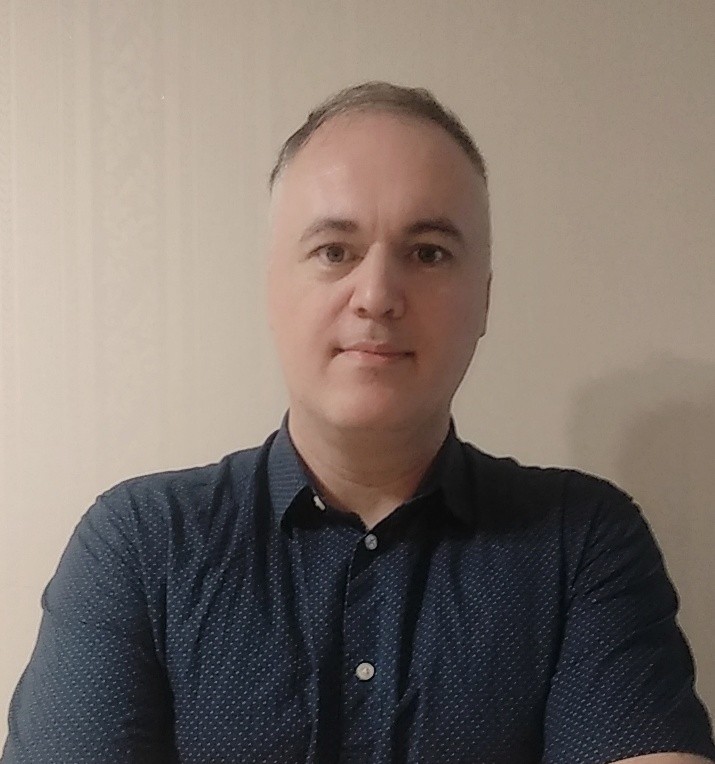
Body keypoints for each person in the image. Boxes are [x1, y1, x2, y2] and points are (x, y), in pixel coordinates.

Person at [2, 82, 714, 764]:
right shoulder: (139, 544)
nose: (375, 294)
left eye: (428, 253)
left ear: (484, 300)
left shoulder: (581, 542)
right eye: (334, 252)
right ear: (273, 287)